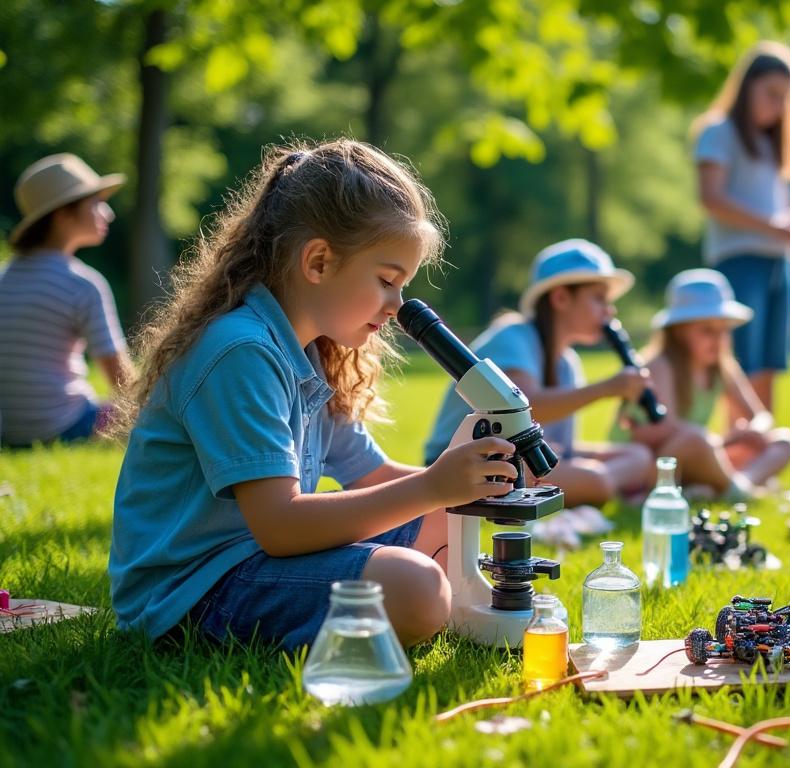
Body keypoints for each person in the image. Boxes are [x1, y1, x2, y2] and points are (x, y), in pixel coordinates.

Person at [110, 140, 517, 650]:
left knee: (449, 519)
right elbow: (280, 525)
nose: (397, 305)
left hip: (257, 561)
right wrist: (435, 485)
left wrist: (481, 483)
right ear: (319, 262)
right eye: (387, 281)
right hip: (192, 592)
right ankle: (424, 608)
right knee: (415, 585)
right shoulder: (241, 351)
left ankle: (433, 607)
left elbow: (378, 478)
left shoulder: (310, 355)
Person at [424, 239, 655, 511]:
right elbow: (528, 409)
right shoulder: (512, 337)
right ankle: (611, 488)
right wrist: (607, 388)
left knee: (640, 456)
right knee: (596, 481)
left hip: (522, 461)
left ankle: (607, 486)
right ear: (560, 298)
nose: (610, 310)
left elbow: (560, 448)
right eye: (598, 298)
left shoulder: (568, 363)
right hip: (467, 465)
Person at [693, 41, 790, 420]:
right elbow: (711, 197)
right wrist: (772, 225)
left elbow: (775, 204)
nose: (778, 105)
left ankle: (761, 455)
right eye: (771, 93)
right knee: (741, 361)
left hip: (779, 261)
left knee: (770, 363)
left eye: (785, 98)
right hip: (739, 260)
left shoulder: (774, 143)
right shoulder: (718, 132)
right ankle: (735, 457)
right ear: (748, 86)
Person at [613, 269, 790, 500]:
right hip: (651, 462)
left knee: (784, 440)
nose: (718, 340)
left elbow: (761, 416)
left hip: (700, 453)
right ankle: (732, 489)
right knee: (696, 440)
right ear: (679, 331)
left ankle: (737, 485)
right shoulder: (661, 366)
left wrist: (753, 431)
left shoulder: (722, 366)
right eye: (707, 331)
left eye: (723, 331)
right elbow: (659, 431)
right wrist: (724, 441)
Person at [0, 153, 133, 446]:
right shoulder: (82, 284)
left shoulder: (4, 278)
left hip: (7, 430)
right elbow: (121, 381)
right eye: (96, 203)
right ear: (62, 214)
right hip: (68, 426)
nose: (108, 213)